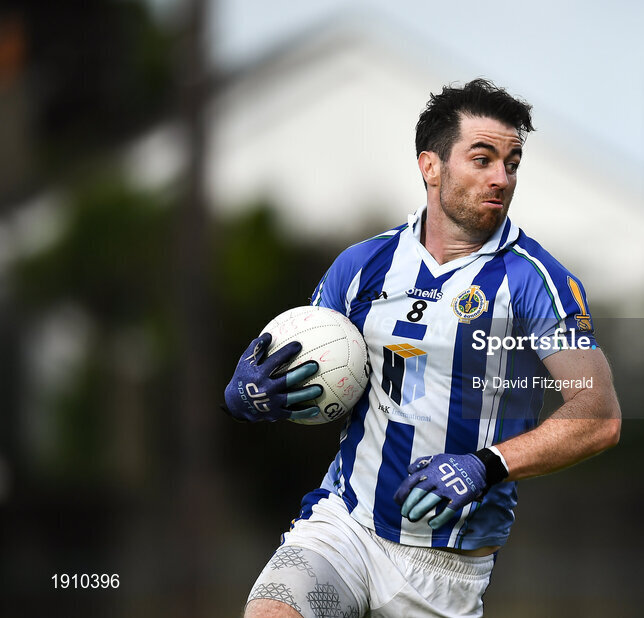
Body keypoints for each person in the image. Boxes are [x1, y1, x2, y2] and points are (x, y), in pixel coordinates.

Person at [224, 78, 621, 618]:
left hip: (445, 573)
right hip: (344, 527)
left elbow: (597, 417)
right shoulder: (362, 265)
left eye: (512, 162)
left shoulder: (535, 282)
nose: (501, 178)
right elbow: (310, 371)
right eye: (482, 159)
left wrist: (487, 465)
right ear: (430, 166)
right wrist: (249, 395)